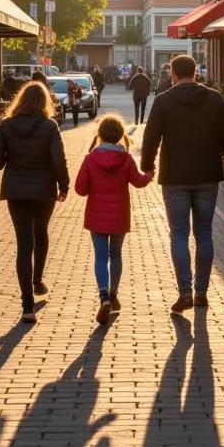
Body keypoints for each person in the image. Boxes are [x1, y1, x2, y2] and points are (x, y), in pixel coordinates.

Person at [141, 55, 224, 313]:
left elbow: (150, 138)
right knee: (204, 233)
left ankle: (184, 292)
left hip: (174, 176)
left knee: (179, 233)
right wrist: (212, 151)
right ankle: (201, 292)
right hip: (207, 174)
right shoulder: (214, 98)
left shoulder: (163, 101)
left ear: (172, 73)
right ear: (196, 73)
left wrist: (147, 165)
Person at [0, 81, 70, 324]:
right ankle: (37, 280)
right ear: (45, 102)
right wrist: (64, 185)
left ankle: (27, 306)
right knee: (41, 233)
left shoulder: (7, 125)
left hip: (16, 190)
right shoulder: (50, 126)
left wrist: (8, 155)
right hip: (44, 189)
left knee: (24, 244)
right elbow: (59, 159)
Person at [74, 114, 153, 323]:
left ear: (100, 134)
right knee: (115, 255)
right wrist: (150, 175)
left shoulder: (90, 159)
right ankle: (114, 293)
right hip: (119, 215)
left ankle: (103, 296)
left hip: (96, 216)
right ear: (120, 135)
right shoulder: (126, 159)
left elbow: (80, 189)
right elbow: (138, 182)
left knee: (100, 257)